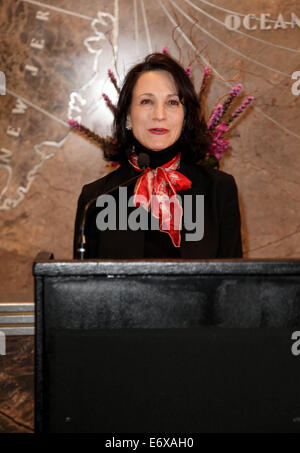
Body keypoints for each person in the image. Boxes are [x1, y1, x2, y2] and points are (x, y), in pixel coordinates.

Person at [73, 52, 243, 259]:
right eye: (146, 101)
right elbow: (81, 287)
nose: (159, 115)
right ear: (127, 116)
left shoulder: (218, 190)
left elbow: (233, 284)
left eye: (172, 103)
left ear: (186, 115)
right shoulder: (96, 199)